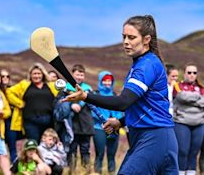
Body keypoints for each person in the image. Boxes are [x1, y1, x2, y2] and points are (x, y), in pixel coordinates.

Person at [63, 15, 178, 174]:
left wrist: (86, 97)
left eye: (131, 37)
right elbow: (142, 104)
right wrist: (120, 122)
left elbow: (123, 101)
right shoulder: (142, 63)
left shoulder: (146, 65)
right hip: (154, 138)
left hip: (154, 138)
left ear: (146, 40)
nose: (125, 42)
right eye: (124, 36)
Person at [6, 63, 58, 142]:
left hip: (48, 120)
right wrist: (19, 103)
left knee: (47, 144)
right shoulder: (24, 84)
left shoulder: (51, 85)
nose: (37, 76)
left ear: (43, 74)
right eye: (34, 74)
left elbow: (64, 93)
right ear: (30, 75)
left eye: (39, 74)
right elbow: (9, 92)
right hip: (30, 121)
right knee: (34, 144)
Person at [173, 63, 204, 174]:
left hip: (199, 124)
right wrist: (197, 97)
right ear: (184, 73)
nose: (192, 75)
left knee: (194, 153)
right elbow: (181, 96)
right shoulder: (177, 85)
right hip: (182, 123)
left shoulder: (202, 87)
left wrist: (189, 100)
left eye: (194, 73)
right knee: (183, 151)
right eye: (189, 72)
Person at [92, 71, 123, 174]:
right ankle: (97, 172)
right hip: (99, 128)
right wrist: (105, 120)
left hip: (114, 128)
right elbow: (93, 112)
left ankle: (112, 172)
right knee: (99, 154)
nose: (107, 83)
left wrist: (116, 121)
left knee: (111, 155)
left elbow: (119, 111)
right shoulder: (96, 95)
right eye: (105, 81)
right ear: (101, 81)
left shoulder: (115, 95)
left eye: (109, 80)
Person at [66, 64, 95, 173]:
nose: (79, 77)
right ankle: (71, 171)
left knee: (85, 150)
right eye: (77, 74)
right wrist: (71, 105)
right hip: (71, 125)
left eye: (81, 75)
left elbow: (93, 104)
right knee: (72, 150)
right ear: (72, 74)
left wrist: (81, 103)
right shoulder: (66, 88)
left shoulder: (88, 89)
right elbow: (59, 103)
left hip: (85, 125)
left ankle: (86, 171)